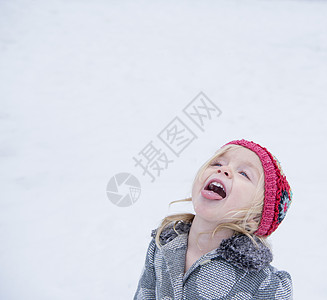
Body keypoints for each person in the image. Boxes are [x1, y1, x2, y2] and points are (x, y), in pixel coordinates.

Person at [134, 139, 293, 300]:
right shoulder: (163, 244)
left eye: (244, 174)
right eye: (217, 163)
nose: (224, 170)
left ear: (255, 217)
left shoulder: (263, 284)